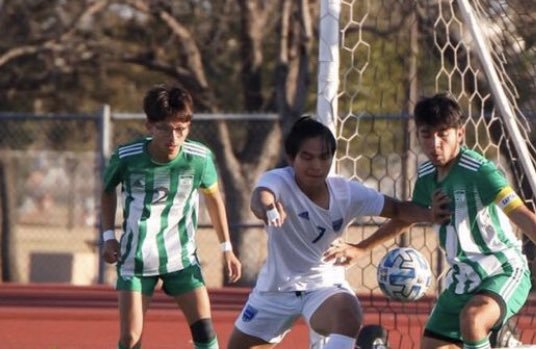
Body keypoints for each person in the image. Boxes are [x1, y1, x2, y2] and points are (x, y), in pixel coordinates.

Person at [339, 94, 536, 349]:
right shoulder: (426, 176)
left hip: (503, 270)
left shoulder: (481, 171)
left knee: (473, 319)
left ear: (460, 133)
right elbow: (406, 216)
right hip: (463, 279)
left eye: (443, 134)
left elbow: (522, 215)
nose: (435, 143)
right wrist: (360, 249)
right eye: (426, 135)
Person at [227, 117, 438, 349]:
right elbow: (261, 196)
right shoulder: (278, 180)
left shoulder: (346, 193)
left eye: (324, 157)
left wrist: (431, 215)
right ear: (291, 158)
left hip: (323, 286)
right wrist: (268, 208)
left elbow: (399, 210)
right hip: (275, 290)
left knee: (347, 314)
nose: (316, 165)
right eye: (307, 157)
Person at [101, 84, 242, 349]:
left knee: (205, 332)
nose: (173, 137)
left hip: (182, 258)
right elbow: (107, 191)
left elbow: (213, 199)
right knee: (130, 339)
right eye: (165, 128)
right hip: (136, 258)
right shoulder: (126, 157)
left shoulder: (199, 158)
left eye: (181, 129)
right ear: (149, 126)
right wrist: (108, 236)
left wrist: (227, 248)